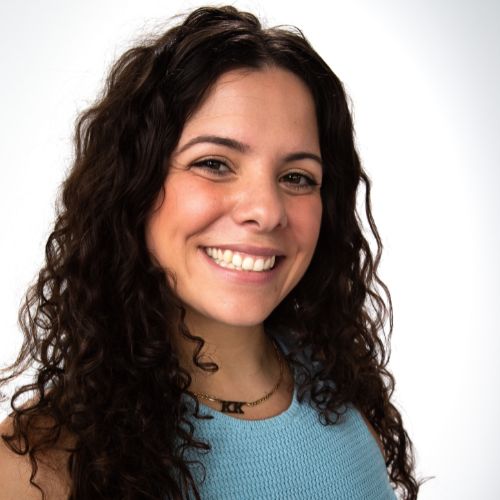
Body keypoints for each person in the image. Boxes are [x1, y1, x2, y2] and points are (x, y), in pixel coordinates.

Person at [0, 5, 421, 499]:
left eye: (297, 177)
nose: (266, 211)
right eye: (215, 163)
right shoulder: (35, 465)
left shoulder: (344, 402)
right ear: (132, 187)